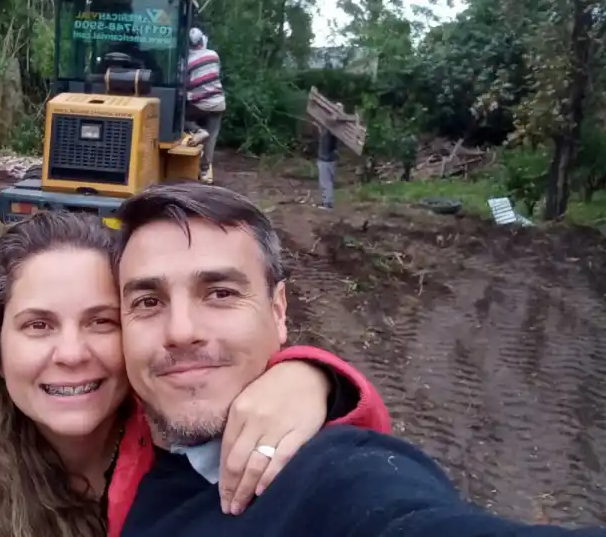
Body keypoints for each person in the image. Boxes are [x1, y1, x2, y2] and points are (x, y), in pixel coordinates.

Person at [112, 182, 606, 537]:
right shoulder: (104, 436)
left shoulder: (334, 479)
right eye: (147, 302)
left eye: (220, 293)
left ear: (278, 311)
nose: (181, 331)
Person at [0, 212, 390, 537]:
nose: (71, 353)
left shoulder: (180, 435)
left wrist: (314, 379)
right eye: (38, 325)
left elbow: (363, 475)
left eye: (100, 322)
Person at [185, 27, 225, 185]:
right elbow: (217, 73)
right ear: (202, 41)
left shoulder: (188, 61)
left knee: (179, 117)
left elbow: (187, 83)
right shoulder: (213, 55)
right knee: (212, 137)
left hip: (199, 105)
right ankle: (205, 171)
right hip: (218, 102)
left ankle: (197, 130)